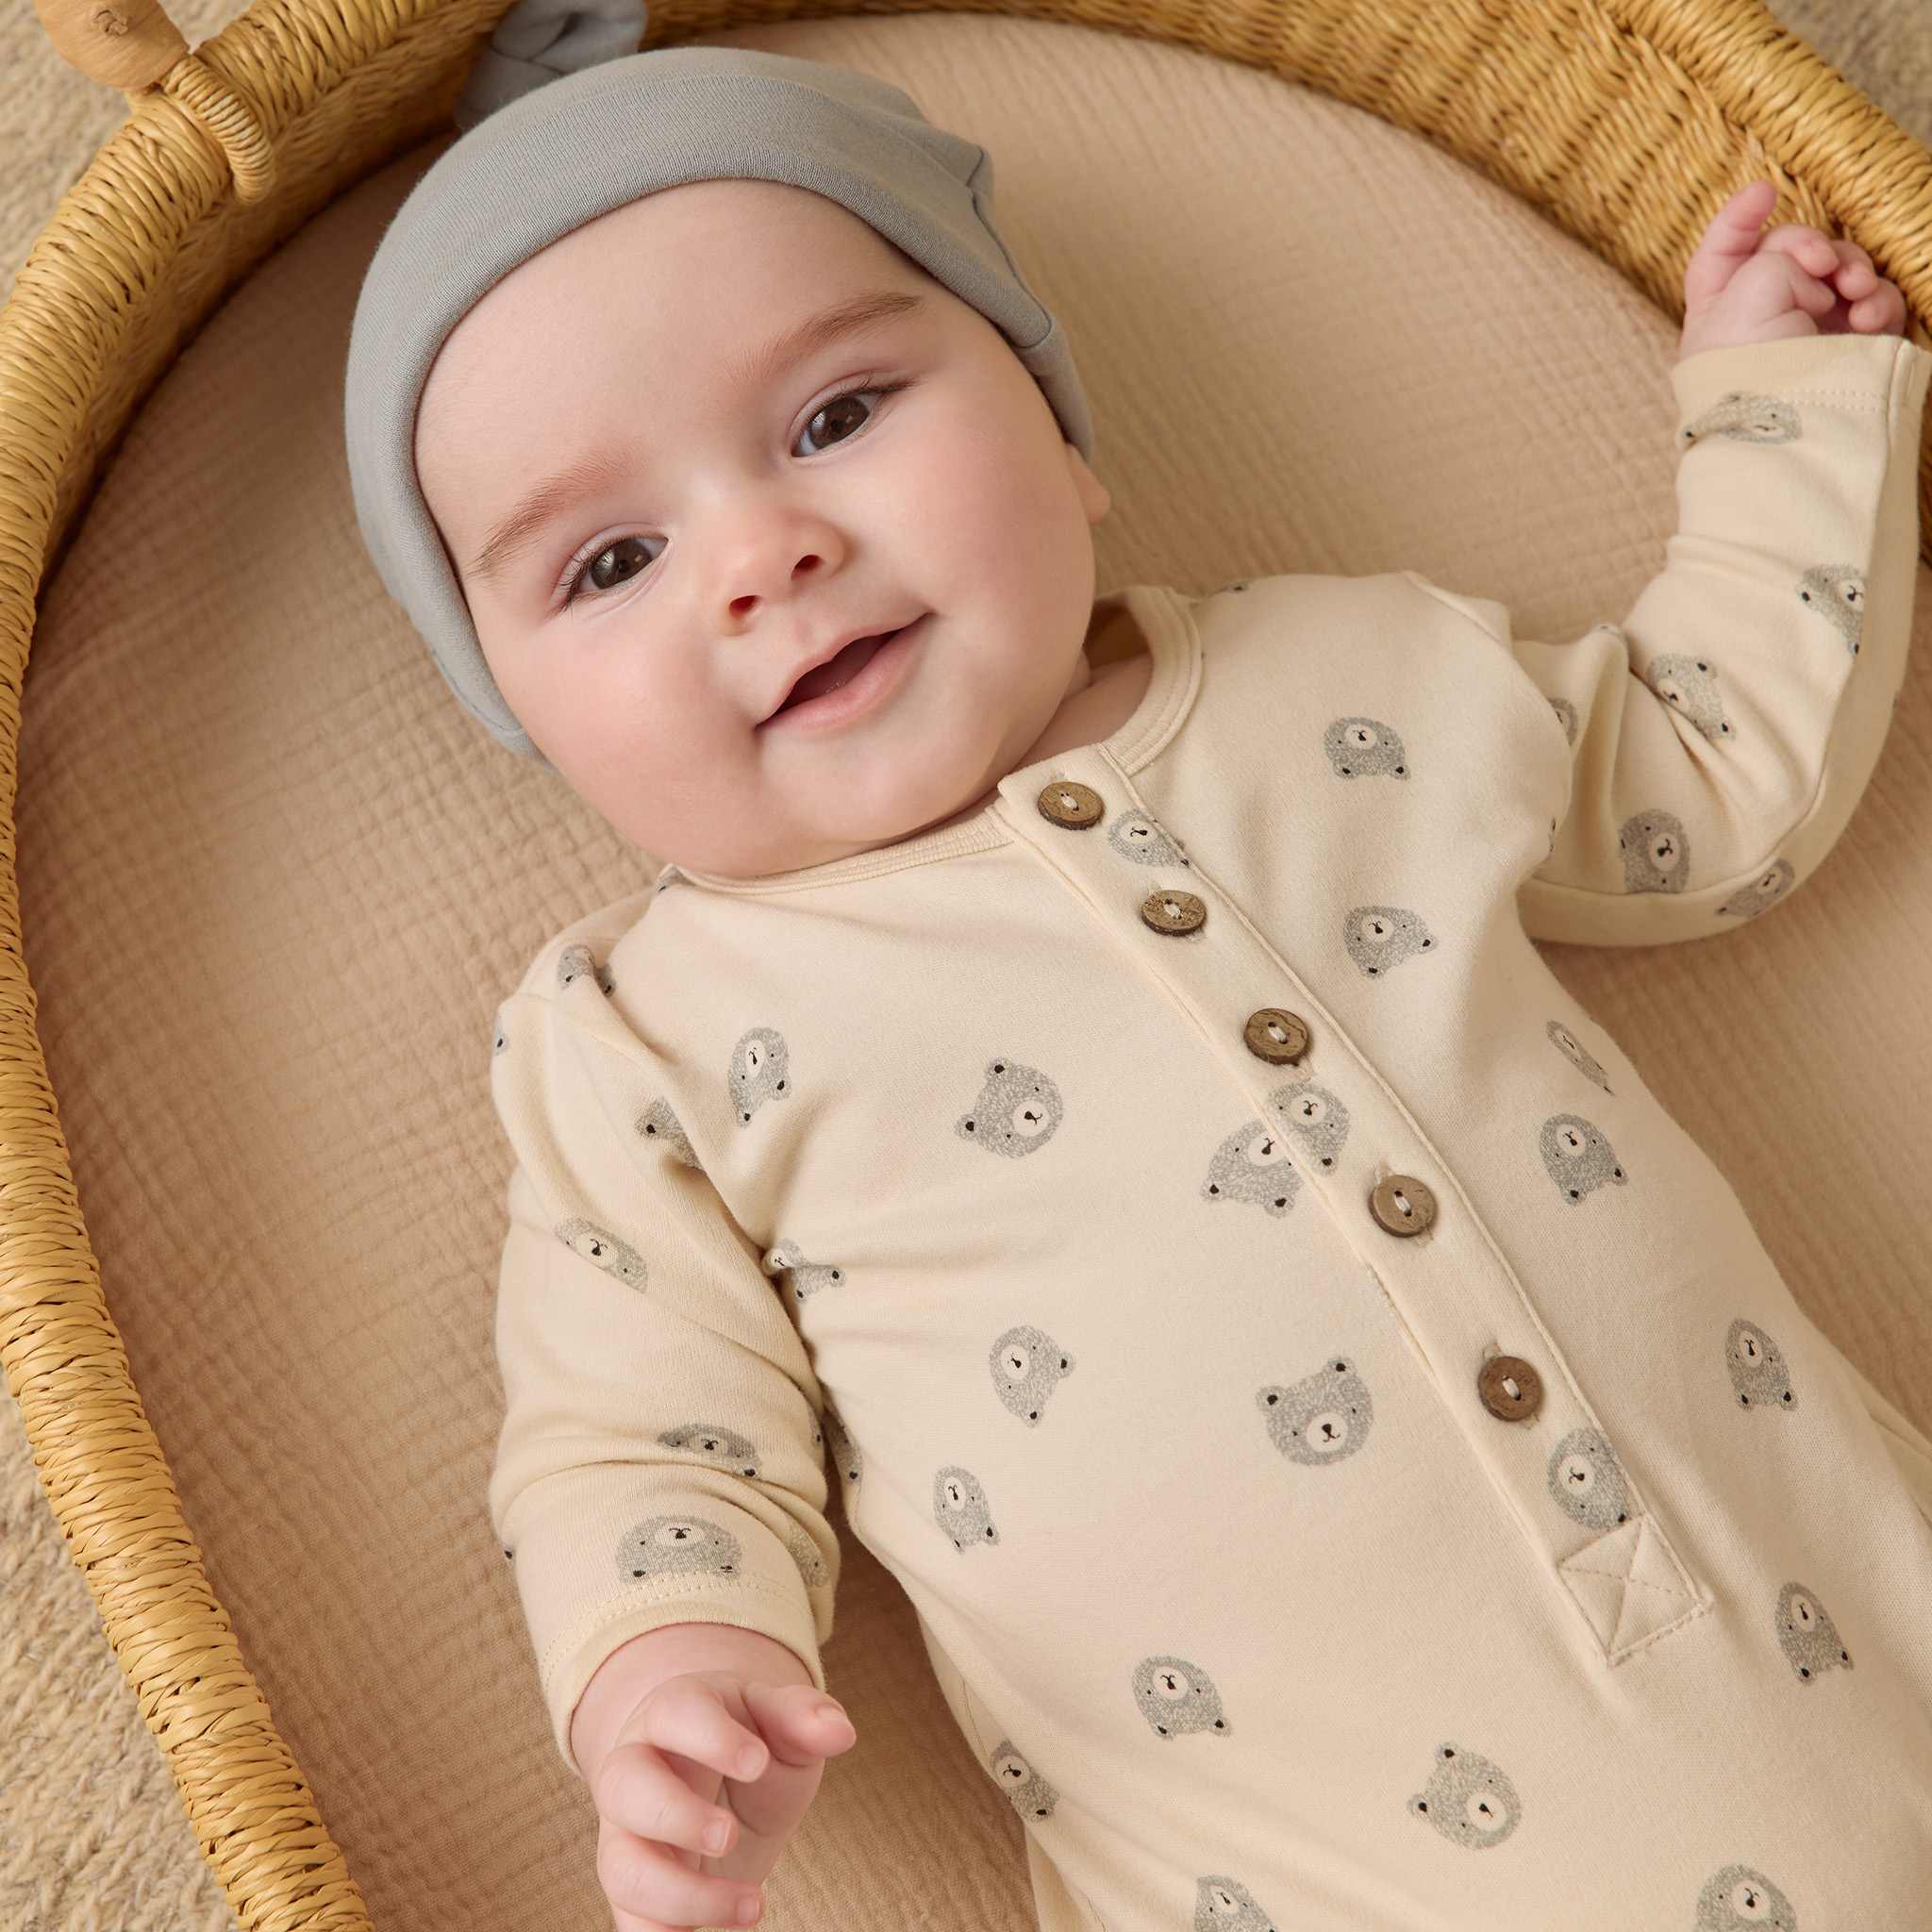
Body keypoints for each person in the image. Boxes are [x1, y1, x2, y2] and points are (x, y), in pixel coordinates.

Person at [344, 6, 1932, 1924]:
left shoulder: (1341, 682)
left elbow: (1700, 777)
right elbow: (631, 1430)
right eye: (610, 563)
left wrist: (1776, 405)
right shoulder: (649, 1041)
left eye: (835, 419)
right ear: (520, 717)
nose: (760, 555)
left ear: (1058, 425)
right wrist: (662, 1674)